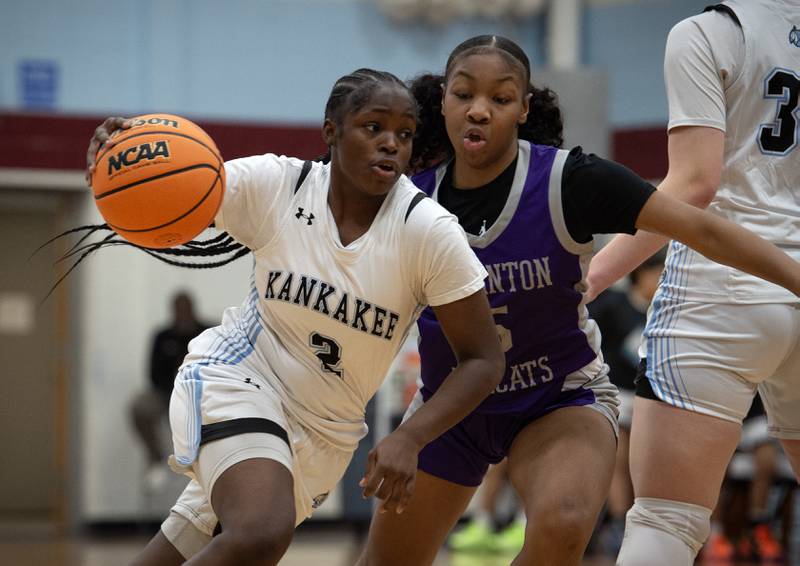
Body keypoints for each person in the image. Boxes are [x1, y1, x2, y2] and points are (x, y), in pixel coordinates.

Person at [356, 34, 800, 566]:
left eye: (499, 99)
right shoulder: (406, 203)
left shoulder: (568, 179)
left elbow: (704, 230)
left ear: (522, 109)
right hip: (451, 407)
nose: (479, 110)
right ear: (442, 101)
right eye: (463, 94)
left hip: (558, 397)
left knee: (564, 525)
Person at [83, 69, 505, 566]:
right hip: (239, 378)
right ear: (332, 130)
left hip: (326, 436)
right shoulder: (280, 185)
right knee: (261, 531)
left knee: (194, 540)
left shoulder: (427, 231)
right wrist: (123, 163)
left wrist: (410, 437)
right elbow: (183, 184)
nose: (391, 144)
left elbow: (483, 359)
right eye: (373, 128)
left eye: (405, 134)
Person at [585, 2, 800, 564]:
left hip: (723, 288)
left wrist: (593, 277)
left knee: (664, 523)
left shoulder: (707, 32)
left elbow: (694, 186)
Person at [587, 251, 665, 556]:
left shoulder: (661, 312)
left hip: (648, 399)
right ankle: (619, 523)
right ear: (640, 273)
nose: (659, 282)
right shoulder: (613, 304)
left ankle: (635, 523)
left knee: (640, 465)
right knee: (618, 463)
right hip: (616, 393)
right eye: (655, 275)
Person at [130, 291, 209, 490]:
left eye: (186, 308)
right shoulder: (162, 336)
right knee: (140, 406)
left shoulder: (206, 333)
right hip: (166, 393)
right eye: (178, 309)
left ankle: (204, 460)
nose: (182, 313)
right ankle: (156, 458)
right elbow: (152, 373)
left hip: (199, 393)